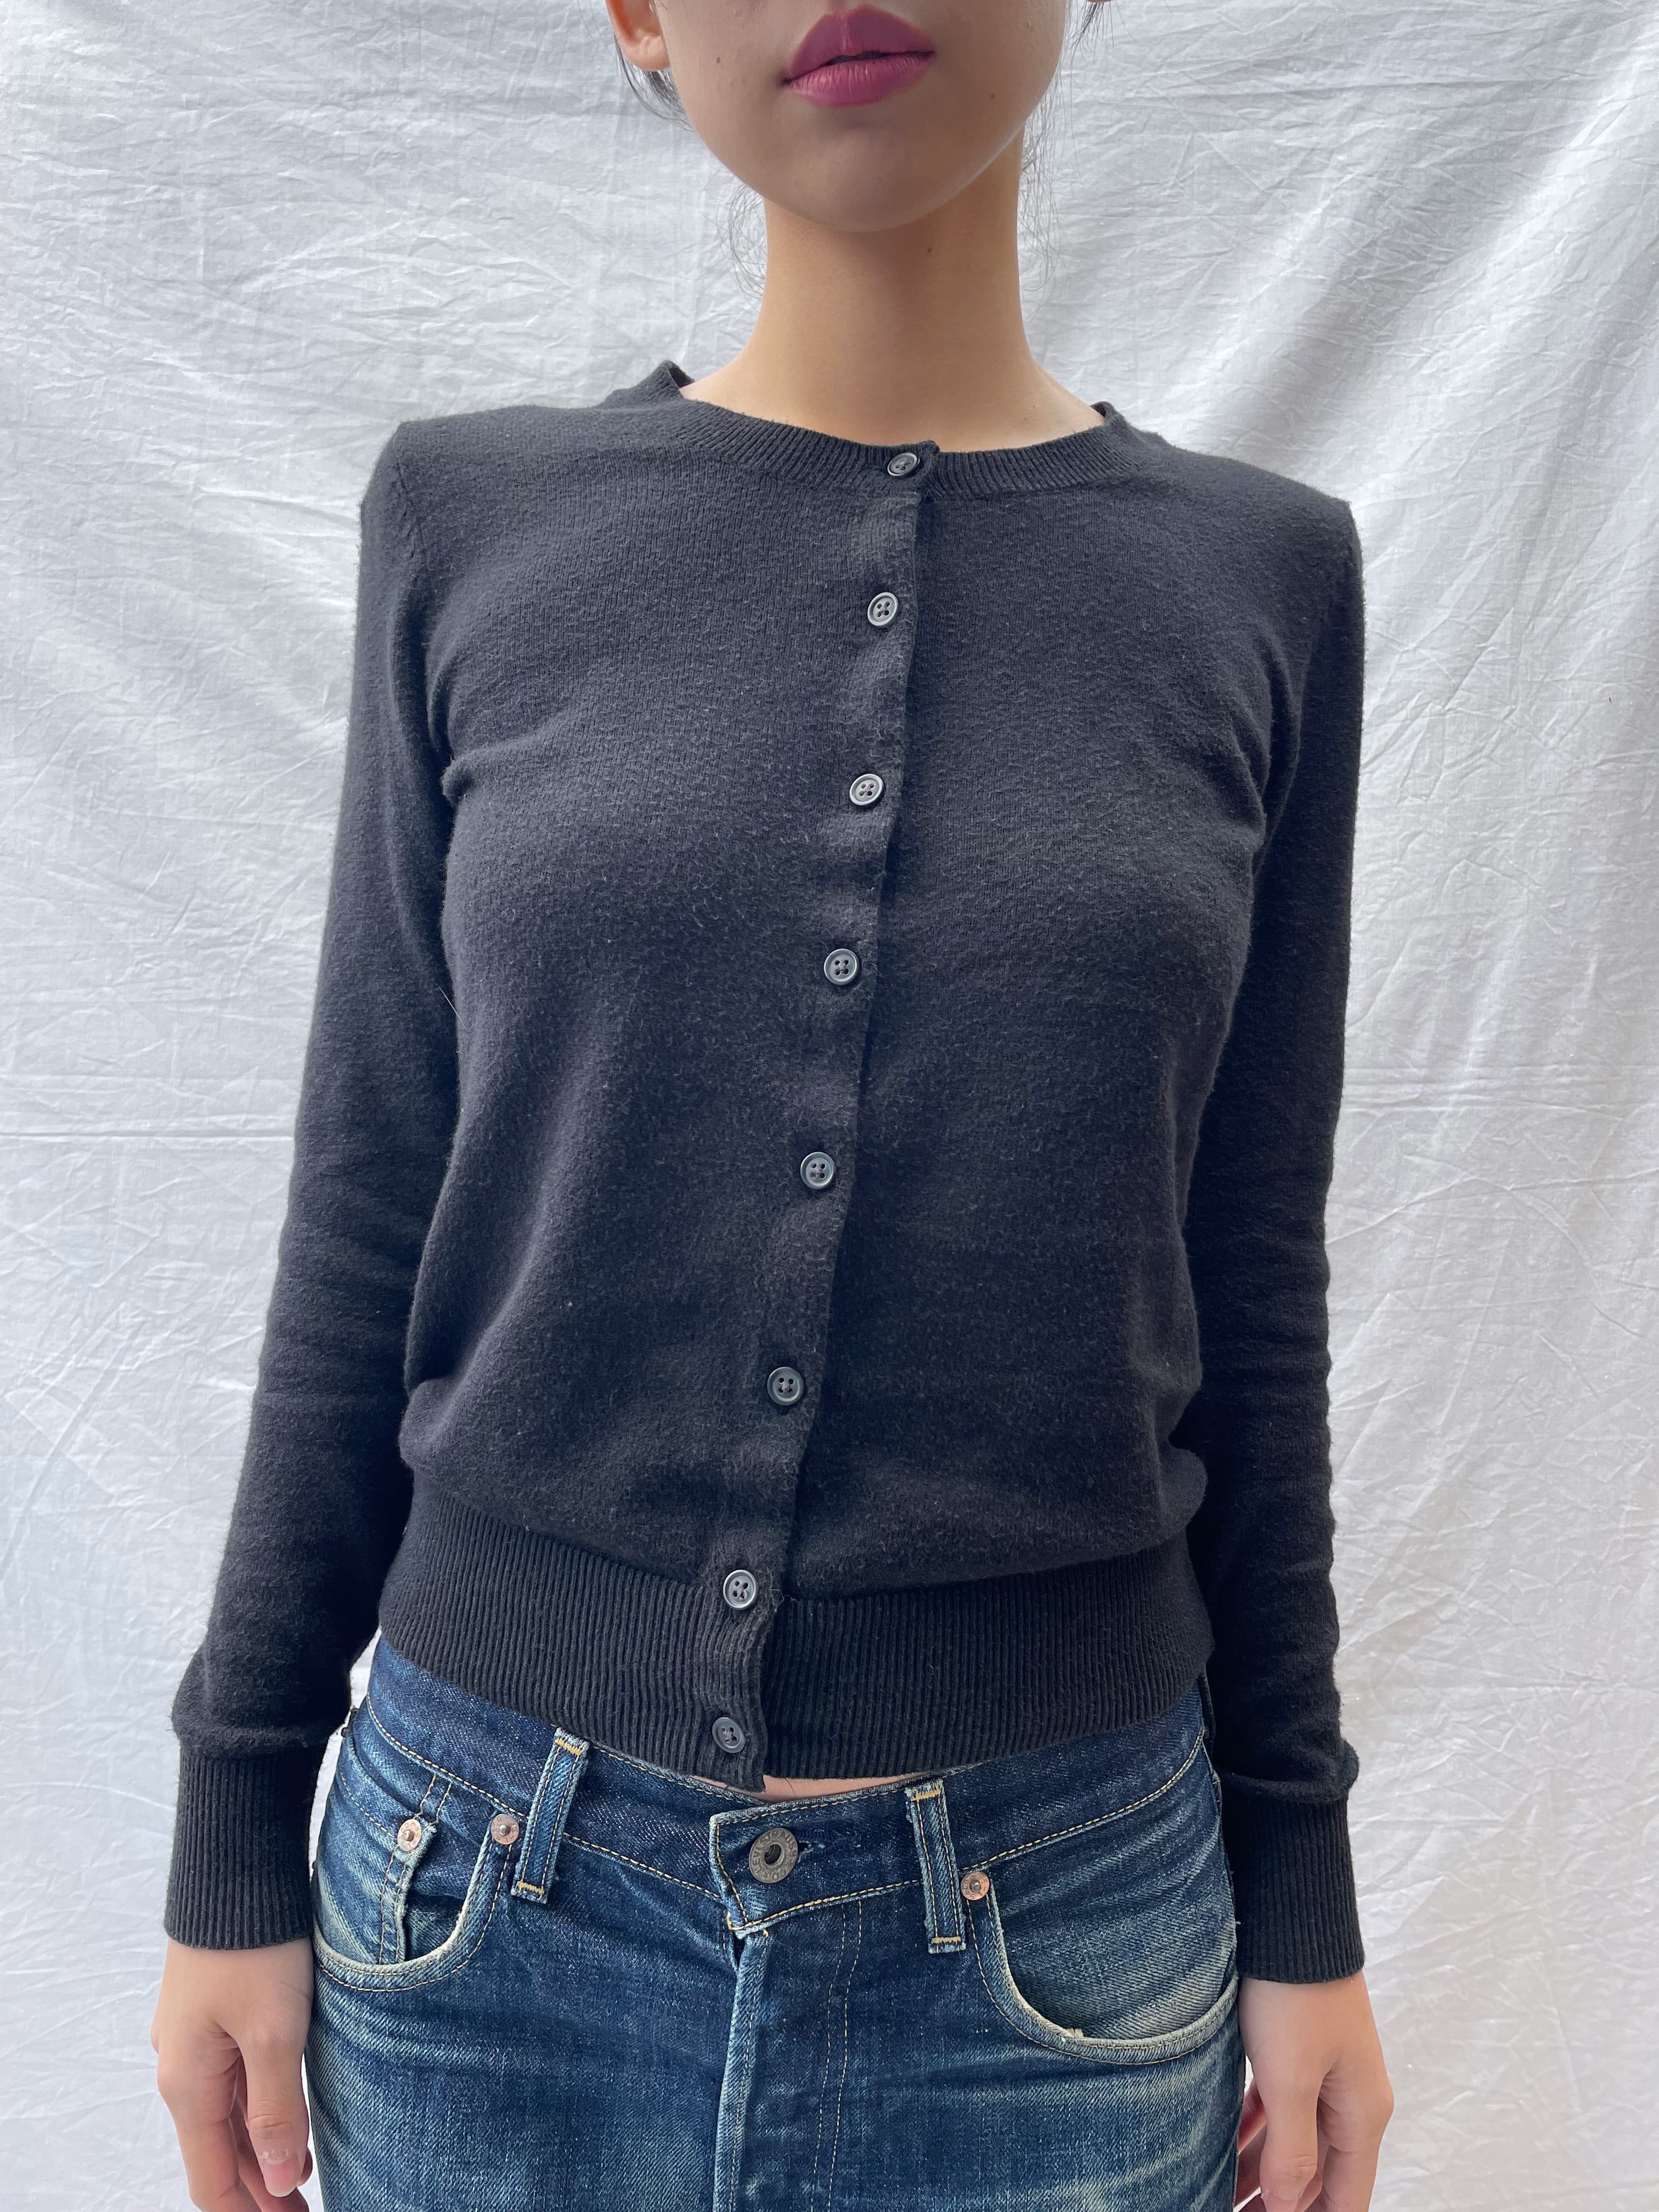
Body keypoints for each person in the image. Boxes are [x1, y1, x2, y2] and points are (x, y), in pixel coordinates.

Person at [150, 3, 1396, 2207]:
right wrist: (236, 1807)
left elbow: (1246, 1270)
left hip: (1068, 1938)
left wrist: (1301, 1883)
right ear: (638, 15)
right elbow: (371, 1186)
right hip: (479, 1915)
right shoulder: (470, 519)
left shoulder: (1261, 579)